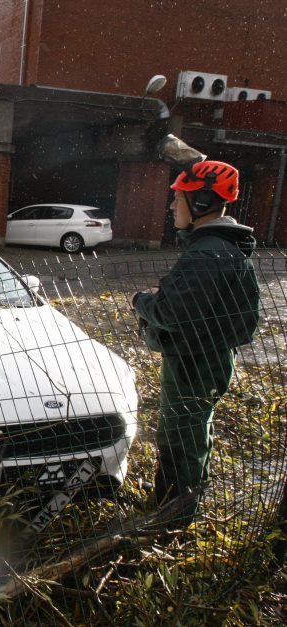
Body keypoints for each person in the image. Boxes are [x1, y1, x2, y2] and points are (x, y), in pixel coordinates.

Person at [130, 159, 260, 524]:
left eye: (179, 199)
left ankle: (171, 516)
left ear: (201, 202)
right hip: (207, 357)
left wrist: (141, 300)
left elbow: (173, 314)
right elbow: (198, 306)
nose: (172, 207)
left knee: (179, 439)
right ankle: (182, 504)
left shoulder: (207, 254)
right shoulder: (219, 249)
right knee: (193, 430)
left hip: (194, 362)